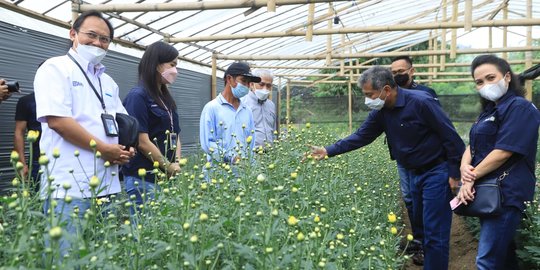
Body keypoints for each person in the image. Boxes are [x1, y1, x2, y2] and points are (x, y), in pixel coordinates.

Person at [310, 66, 465, 270]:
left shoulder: (421, 103)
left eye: (369, 94)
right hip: (413, 173)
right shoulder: (381, 112)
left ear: (386, 90)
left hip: (435, 171)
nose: (367, 100)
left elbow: (452, 138)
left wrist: (454, 174)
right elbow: (362, 136)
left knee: (435, 232)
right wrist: (328, 150)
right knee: (423, 227)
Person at [34, 10, 135, 255]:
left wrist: (125, 147)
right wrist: (104, 149)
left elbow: (122, 121)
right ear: (73, 34)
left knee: (103, 257)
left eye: (105, 39)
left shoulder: (108, 81)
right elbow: (57, 120)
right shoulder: (55, 68)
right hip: (69, 189)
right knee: (67, 259)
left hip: (107, 186)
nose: (98, 43)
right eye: (91, 35)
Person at [457, 55, 540, 270]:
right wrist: (464, 167)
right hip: (488, 190)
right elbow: (471, 146)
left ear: (507, 77)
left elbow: (504, 151)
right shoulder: (489, 112)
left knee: (486, 260)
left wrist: (470, 177)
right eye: (479, 82)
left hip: (506, 193)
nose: (485, 84)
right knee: (503, 257)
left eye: (490, 77)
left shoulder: (520, 108)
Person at [122, 41, 181, 216]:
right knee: (144, 231)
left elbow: (176, 134)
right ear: (156, 65)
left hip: (164, 176)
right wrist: (168, 166)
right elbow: (142, 141)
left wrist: (176, 164)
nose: (175, 71)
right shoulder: (137, 96)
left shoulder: (165, 98)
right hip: (143, 177)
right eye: (172, 65)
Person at [390, 55, 440, 263]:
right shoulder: (391, 94)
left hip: (424, 159)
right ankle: (418, 239)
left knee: (421, 200)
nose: (397, 76)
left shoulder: (426, 94)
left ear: (411, 71)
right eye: (393, 73)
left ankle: (427, 243)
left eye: (401, 71)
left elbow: (439, 126)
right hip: (402, 157)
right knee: (409, 198)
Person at [200, 62, 260, 165]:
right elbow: (207, 143)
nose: (247, 86)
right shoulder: (212, 108)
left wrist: (251, 167)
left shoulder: (247, 110)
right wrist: (231, 158)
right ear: (229, 79)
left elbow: (251, 142)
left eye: (249, 83)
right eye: (243, 81)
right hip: (218, 174)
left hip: (243, 175)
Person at [13, 92, 41, 192]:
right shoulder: (27, 101)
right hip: (37, 162)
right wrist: (22, 164)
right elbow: (19, 132)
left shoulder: (64, 98)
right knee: (37, 202)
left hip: (64, 159)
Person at [242, 69, 276, 149]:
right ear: (251, 84)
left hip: (269, 153)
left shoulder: (271, 105)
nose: (265, 88)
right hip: (250, 153)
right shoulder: (242, 103)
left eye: (268, 85)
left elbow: (273, 129)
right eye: (261, 84)